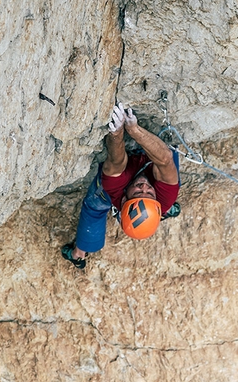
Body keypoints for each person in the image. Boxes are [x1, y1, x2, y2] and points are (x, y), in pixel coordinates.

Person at [61, 103, 181, 269]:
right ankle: (156, 212)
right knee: (170, 164)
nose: (144, 186)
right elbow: (165, 159)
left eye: (139, 192)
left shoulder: (115, 189)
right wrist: (134, 130)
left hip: (117, 187)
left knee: (94, 208)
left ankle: (79, 253)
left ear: (125, 198)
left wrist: (117, 133)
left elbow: (116, 160)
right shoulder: (165, 198)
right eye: (149, 193)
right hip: (152, 171)